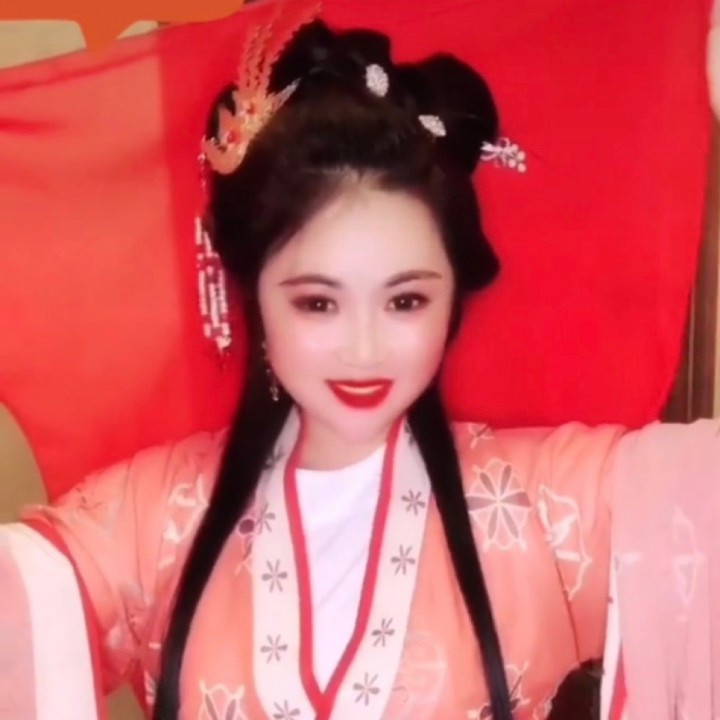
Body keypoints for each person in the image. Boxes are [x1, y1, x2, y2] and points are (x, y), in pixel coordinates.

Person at [1, 9, 718, 720]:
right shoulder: (156, 517)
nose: (365, 348)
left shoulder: (538, 500)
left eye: (405, 301)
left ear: (452, 298)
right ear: (254, 297)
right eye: (318, 304)